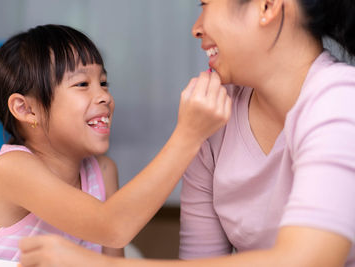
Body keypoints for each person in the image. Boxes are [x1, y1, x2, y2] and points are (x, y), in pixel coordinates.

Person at [18, 0, 355, 266]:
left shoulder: (340, 96)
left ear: (267, 6)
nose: (196, 29)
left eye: (206, 4)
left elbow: (307, 260)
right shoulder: (213, 120)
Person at [0, 24, 230, 262]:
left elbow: (112, 261)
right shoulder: (13, 168)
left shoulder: (102, 171)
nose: (103, 96)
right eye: (82, 84)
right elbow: (112, 227)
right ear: (26, 109)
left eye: (103, 82)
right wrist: (189, 135)